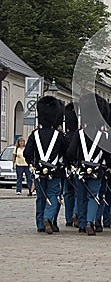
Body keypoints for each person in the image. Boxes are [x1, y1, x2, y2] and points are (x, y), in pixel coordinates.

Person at [67, 92, 110, 235]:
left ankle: (82, 223)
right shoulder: (103, 136)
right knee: (94, 196)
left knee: (81, 197)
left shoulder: (79, 133)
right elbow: (108, 155)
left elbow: (71, 152)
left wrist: (75, 162)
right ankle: (90, 222)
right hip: (97, 170)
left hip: (81, 169)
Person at [23, 96, 67, 234]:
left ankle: (40, 224)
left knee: (41, 197)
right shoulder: (59, 135)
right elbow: (65, 153)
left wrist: (32, 164)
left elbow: (27, 153)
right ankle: (48, 217)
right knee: (53, 195)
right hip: (55, 171)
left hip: (39, 171)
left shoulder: (35, 134)